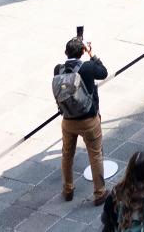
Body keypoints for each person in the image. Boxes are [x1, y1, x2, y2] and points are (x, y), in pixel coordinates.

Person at [54, 33, 112, 204]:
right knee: (95, 155)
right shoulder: (87, 68)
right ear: (82, 52)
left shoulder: (58, 69)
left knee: (67, 154)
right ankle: (100, 193)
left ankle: (68, 189)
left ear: (66, 52)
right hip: (88, 120)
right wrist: (92, 53)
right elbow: (103, 72)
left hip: (68, 120)